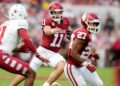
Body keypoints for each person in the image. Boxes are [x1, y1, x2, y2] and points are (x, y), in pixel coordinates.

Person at [10, 1, 71, 86]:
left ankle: (46, 85)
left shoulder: (66, 21)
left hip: (54, 53)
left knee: (62, 66)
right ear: (50, 12)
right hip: (42, 51)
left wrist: (70, 34)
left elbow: (68, 29)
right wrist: (54, 30)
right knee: (27, 72)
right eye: (54, 12)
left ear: (62, 12)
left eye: (59, 12)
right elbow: (47, 31)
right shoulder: (47, 20)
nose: (56, 14)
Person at [0, 4, 40, 86]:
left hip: (2, 53)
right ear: (23, 13)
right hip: (2, 56)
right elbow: (26, 39)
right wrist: (36, 53)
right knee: (31, 74)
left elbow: (4, 43)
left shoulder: (4, 24)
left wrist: (18, 49)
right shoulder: (21, 22)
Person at [64, 13, 103, 86]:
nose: (95, 26)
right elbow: (73, 53)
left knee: (99, 84)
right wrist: (87, 64)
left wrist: (90, 55)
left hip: (81, 66)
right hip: (73, 66)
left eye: (96, 24)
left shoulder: (86, 33)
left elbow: (81, 51)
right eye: (92, 24)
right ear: (85, 23)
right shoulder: (83, 33)